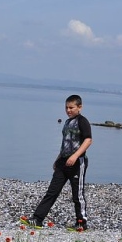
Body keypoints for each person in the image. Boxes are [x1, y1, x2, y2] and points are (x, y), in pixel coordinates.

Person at [29, 94, 92, 230]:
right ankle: (37, 219)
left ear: (79, 107)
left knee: (78, 195)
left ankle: (81, 223)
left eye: (71, 107)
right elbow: (65, 143)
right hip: (63, 162)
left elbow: (88, 140)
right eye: (66, 108)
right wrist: (58, 159)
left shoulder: (83, 121)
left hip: (77, 163)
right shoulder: (67, 122)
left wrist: (75, 156)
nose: (68, 110)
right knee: (52, 191)